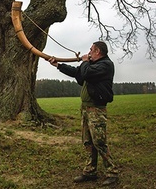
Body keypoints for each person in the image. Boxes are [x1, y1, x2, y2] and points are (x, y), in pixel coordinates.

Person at [48, 41, 118, 186]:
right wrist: (58, 65)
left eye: (91, 50)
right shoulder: (92, 65)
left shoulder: (105, 65)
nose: (89, 52)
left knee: (99, 142)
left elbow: (86, 72)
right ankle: (90, 171)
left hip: (96, 110)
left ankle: (112, 173)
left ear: (98, 51)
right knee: (88, 142)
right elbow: (78, 73)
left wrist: (85, 61)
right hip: (86, 109)